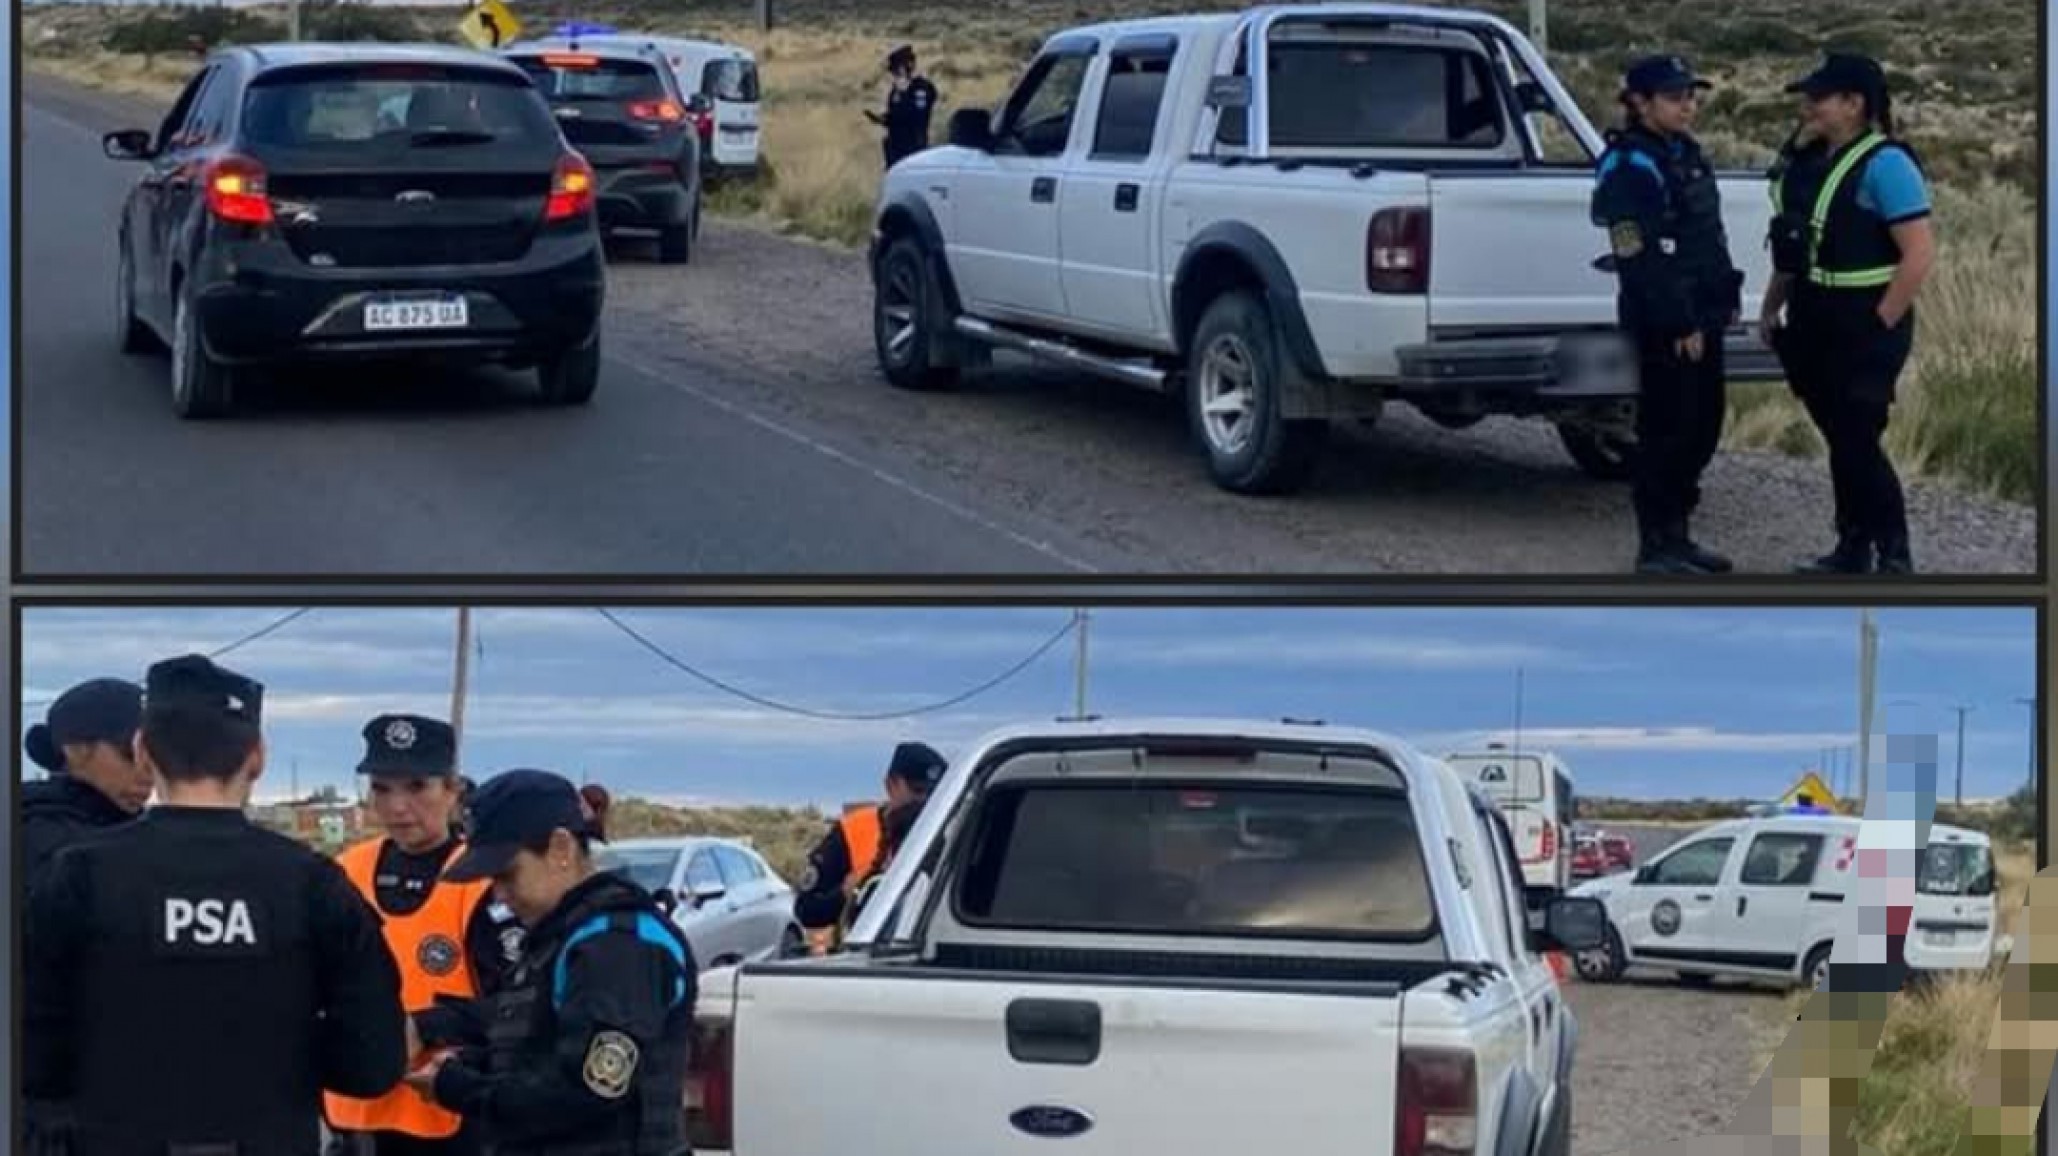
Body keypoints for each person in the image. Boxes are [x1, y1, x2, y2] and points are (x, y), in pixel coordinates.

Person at [23, 654, 409, 1156]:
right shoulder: (315, 885)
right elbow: (372, 1064)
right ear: (257, 757)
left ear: (144, 751)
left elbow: (32, 1056)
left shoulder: (76, 877)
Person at [400, 769, 698, 1156]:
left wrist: (458, 1089)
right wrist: (434, 1031)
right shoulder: (564, 934)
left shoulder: (618, 945)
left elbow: (587, 1093)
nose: (499, 895)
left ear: (561, 848)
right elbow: (528, 1026)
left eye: (508, 876)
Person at [1760, 52, 1935, 575]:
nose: (1807, 107)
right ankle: (1852, 546)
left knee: (1857, 434)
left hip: (1865, 319)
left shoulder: (1887, 165)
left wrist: (1880, 320)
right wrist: (1772, 309)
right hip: (1814, 315)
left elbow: (1919, 255)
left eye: (1819, 98)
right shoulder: (1806, 165)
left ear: (1855, 104)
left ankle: (1895, 551)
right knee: (1839, 435)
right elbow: (1794, 249)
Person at [324, 714, 528, 1156]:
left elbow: (522, 1005)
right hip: (353, 1121)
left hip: (450, 1123)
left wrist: (426, 1028)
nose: (398, 807)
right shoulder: (345, 873)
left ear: (452, 790)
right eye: (382, 789)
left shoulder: (480, 882)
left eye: (417, 787)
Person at [1589, 54, 1746, 575]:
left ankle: (1678, 535)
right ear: (1639, 102)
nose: (1688, 106)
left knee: (1702, 428)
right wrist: (1677, 322)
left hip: (1703, 315)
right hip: (1665, 322)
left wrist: (1717, 307)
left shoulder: (1684, 154)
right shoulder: (1629, 166)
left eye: (1691, 96)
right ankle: (1655, 544)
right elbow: (1638, 255)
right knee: (1667, 430)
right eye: (1676, 97)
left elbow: (1704, 237)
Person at [795, 741, 947, 954]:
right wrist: (846, 893)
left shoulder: (951, 830)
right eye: (917, 791)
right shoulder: (854, 831)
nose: (924, 802)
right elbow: (807, 910)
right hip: (864, 962)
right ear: (890, 785)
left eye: (934, 794)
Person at [20, 677, 151, 887]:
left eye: (157, 754)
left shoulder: (135, 828)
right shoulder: (42, 838)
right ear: (76, 750)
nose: (148, 771)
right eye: (131, 753)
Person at [865, 45, 938, 169]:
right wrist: (882, 119)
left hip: (913, 149)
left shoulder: (922, 88)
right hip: (894, 150)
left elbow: (917, 115)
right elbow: (895, 115)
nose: (895, 74)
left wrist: (904, 93)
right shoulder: (896, 90)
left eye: (898, 69)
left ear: (908, 66)